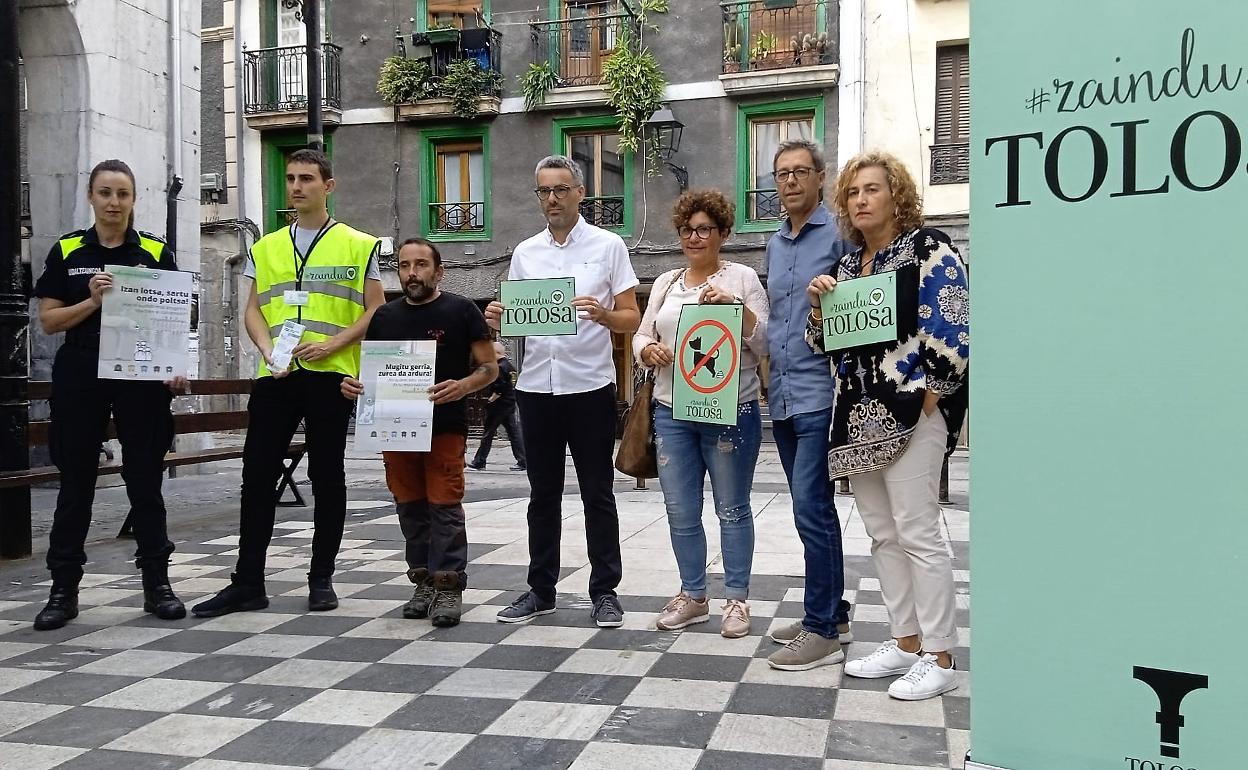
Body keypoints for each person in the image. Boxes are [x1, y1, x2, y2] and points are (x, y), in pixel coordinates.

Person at [193, 149, 385, 618]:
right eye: (291, 179)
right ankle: (248, 582)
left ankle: (321, 579)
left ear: (328, 186)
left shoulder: (359, 245)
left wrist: (333, 344)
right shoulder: (268, 246)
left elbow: (377, 308)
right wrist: (265, 350)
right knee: (256, 476)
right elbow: (253, 309)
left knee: (327, 477)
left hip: (329, 375)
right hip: (276, 375)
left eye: (306, 179)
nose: (296, 187)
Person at [805, 150, 969, 700]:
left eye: (872, 189)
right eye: (852, 192)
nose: (860, 200)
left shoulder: (929, 248)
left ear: (896, 194)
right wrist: (818, 307)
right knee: (882, 535)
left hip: (910, 416)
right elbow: (822, 342)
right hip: (856, 419)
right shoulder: (848, 268)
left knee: (919, 533)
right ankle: (904, 642)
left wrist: (929, 396)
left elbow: (953, 321)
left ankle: (940, 655)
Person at [31, 159, 189, 630]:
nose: (114, 203)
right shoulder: (68, 250)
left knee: (145, 478)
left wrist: (175, 369)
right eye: (105, 193)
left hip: (140, 372)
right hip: (82, 367)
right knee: (76, 481)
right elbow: (49, 320)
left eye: (123, 194)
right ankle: (63, 590)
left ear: (134, 200)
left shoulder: (155, 252)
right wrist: (93, 301)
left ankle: (157, 584)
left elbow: (175, 319)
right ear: (91, 197)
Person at [486, 155, 640, 628]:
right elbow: (518, 322)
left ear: (579, 192)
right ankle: (540, 589)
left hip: (590, 386)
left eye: (561, 189)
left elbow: (631, 316)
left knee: (598, 492)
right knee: (542, 494)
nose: (551, 199)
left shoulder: (608, 245)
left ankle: (605, 591)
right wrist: (499, 319)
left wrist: (604, 314)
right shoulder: (525, 252)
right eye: (543, 191)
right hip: (535, 387)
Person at [632, 189, 768, 639]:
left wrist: (737, 309)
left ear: (723, 233)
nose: (694, 237)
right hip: (673, 410)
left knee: (732, 508)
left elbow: (765, 342)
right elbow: (640, 335)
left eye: (704, 229)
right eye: (687, 229)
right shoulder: (668, 282)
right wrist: (647, 349)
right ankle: (693, 595)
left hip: (731, 407)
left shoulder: (743, 278)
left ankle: (736, 599)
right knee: (679, 510)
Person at [340, 238, 497, 628]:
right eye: (406, 265)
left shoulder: (462, 311)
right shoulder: (384, 317)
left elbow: (490, 368)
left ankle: (448, 585)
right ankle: (423, 579)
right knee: (409, 505)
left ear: (438, 271)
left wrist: (462, 386)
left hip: (444, 426)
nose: (412, 272)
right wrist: (355, 385)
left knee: (444, 506)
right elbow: (372, 372)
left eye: (421, 265)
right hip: (394, 427)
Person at [763, 139, 855, 671]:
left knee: (810, 508)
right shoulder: (774, 244)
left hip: (823, 390)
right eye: (781, 174)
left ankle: (822, 630)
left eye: (800, 171)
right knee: (812, 513)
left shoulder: (841, 234)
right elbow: (776, 320)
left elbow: (864, 300)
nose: (791, 181)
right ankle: (831, 610)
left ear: (821, 177)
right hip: (783, 394)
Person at [467, 341, 526, 471]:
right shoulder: (510, 366)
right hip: (509, 403)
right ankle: (523, 460)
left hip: (499, 405)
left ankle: (479, 461)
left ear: (497, 353)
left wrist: (490, 400)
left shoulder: (499, 367)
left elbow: (499, 388)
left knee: (488, 433)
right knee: (514, 433)